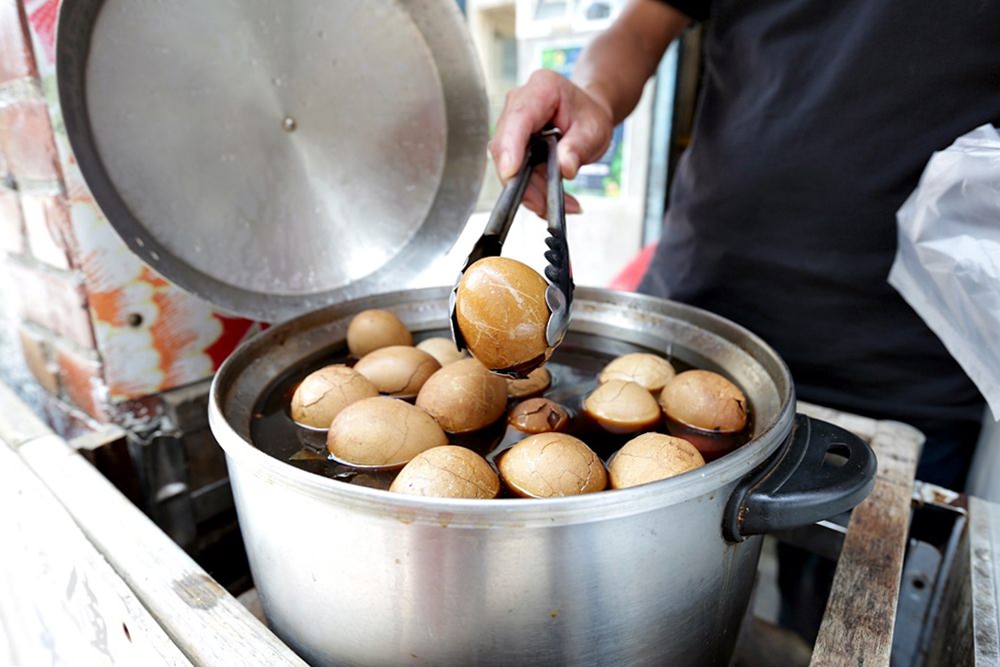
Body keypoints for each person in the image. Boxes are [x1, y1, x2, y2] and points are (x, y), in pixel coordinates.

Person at [490, 0, 1000, 642]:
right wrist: (590, 92)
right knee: (642, 603)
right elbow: (645, 23)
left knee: (846, 620)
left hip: (902, 358)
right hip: (703, 311)